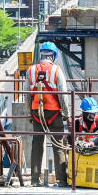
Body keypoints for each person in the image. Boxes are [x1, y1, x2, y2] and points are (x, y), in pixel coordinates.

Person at [26, 42, 69, 186]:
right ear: (53, 56)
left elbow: (27, 95)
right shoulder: (57, 70)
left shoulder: (31, 71)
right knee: (58, 146)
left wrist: (29, 113)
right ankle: (61, 180)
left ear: (41, 55)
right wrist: (67, 115)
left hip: (37, 113)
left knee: (37, 145)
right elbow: (63, 96)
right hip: (54, 114)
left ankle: (34, 180)